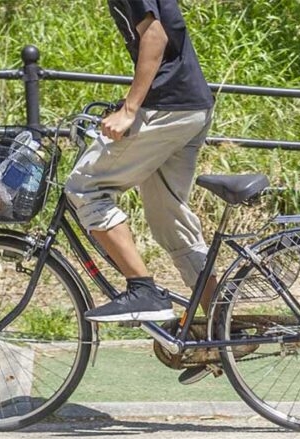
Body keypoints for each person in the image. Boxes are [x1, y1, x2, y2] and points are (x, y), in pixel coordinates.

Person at [65, 0, 215, 327]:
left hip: (169, 106)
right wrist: (127, 104)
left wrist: (130, 110)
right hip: (189, 106)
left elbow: (156, 35)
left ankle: (143, 290)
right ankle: (223, 323)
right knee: (168, 219)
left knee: (85, 186)